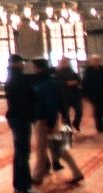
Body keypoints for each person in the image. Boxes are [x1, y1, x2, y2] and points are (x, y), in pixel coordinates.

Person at [31, 58, 84, 186]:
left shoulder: (45, 83)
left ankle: (37, 176)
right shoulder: (49, 81)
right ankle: (76, 172)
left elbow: (50, 103)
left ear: (38, 68)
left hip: (45, 120)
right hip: (49, 119)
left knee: (41, 148)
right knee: (58, 148)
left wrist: (50, 121)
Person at [5, 55, 38, 193]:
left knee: (19, 152)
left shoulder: (11, 78)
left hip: (15, 117)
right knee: (23, 153)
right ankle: (25, 186)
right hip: (22, 118)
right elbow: (31, 97)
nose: (24, 64)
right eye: (22, 62)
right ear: (17, 64)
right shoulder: (19, 79)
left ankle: (18, 184)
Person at [81, 55, 103, 134]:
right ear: (91, 62)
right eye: (94, 61)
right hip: (94, 95)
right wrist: (85, 95)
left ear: (99, 61)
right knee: (97, 111)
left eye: (97, 61)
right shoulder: (88, 71)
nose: (95, 62)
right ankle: (99, 128)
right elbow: (85, 83)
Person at [54, 57, 82, 130]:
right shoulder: (57, 72)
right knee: (65, 114)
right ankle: (68, 129)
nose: (66, 63)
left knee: (79, 111)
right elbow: (56, 83)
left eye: (67, 62)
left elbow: (79, 80)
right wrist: (67, 83)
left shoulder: (71, 71)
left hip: (75, 95)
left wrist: (75, 82)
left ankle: (76, 123)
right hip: (64, 96)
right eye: (64, 62)